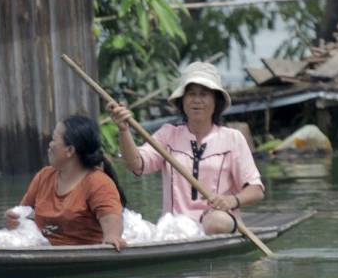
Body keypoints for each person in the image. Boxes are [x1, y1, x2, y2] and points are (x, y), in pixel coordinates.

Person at [108, 62, 264, 235]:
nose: (197, 100)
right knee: (124, 225)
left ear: (215, 101)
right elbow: (136, 164)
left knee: (216, 222)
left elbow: (256, 190)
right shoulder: (168, 135)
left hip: (217, 223)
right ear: (182, 101)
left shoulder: (232, 138)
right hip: (174, 227)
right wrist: (124, 130)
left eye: (204, 94)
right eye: (191, 94)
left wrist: (231, 201)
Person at [5, 115, 127, 250]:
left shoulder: (98, 183)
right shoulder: (44, 176)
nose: (50, 145)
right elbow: (24, 213)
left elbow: (111, 220)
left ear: (70, 150)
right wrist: (14, 220)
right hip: (45, 250)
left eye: (53, 139)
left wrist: (112, 236)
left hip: (82, 255)